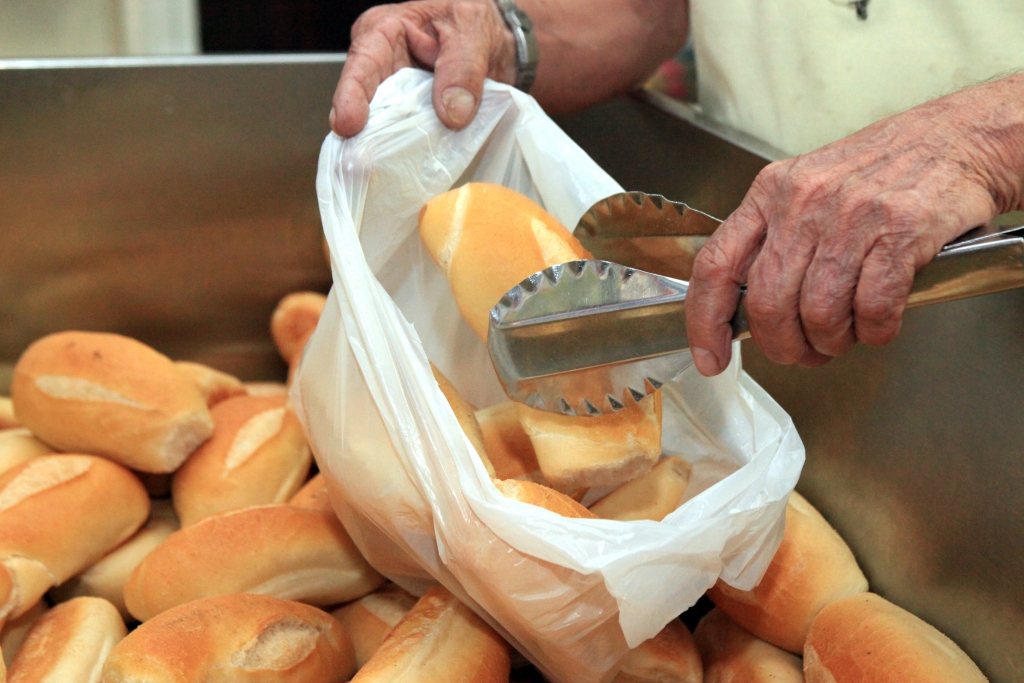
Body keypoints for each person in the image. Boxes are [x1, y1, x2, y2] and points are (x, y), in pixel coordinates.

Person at [330, 0, 1024, 377]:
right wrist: (506, 34)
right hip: (758, 288)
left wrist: (981, 144)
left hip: (994, 306)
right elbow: (654, 10)